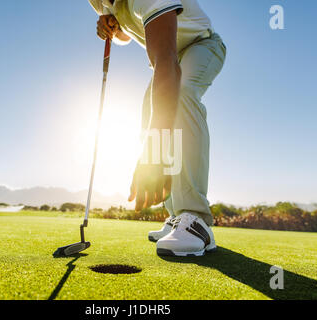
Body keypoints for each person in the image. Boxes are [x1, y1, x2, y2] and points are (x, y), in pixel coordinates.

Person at [88, 0, 226, 257]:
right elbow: (125, 33)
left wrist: (156, 149)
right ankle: (177, 217)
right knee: (150, 114)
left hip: (201, 45)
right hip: (169, 59)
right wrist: (112, 28)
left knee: (181, 94)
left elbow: (166, 60)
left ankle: (196, 220)